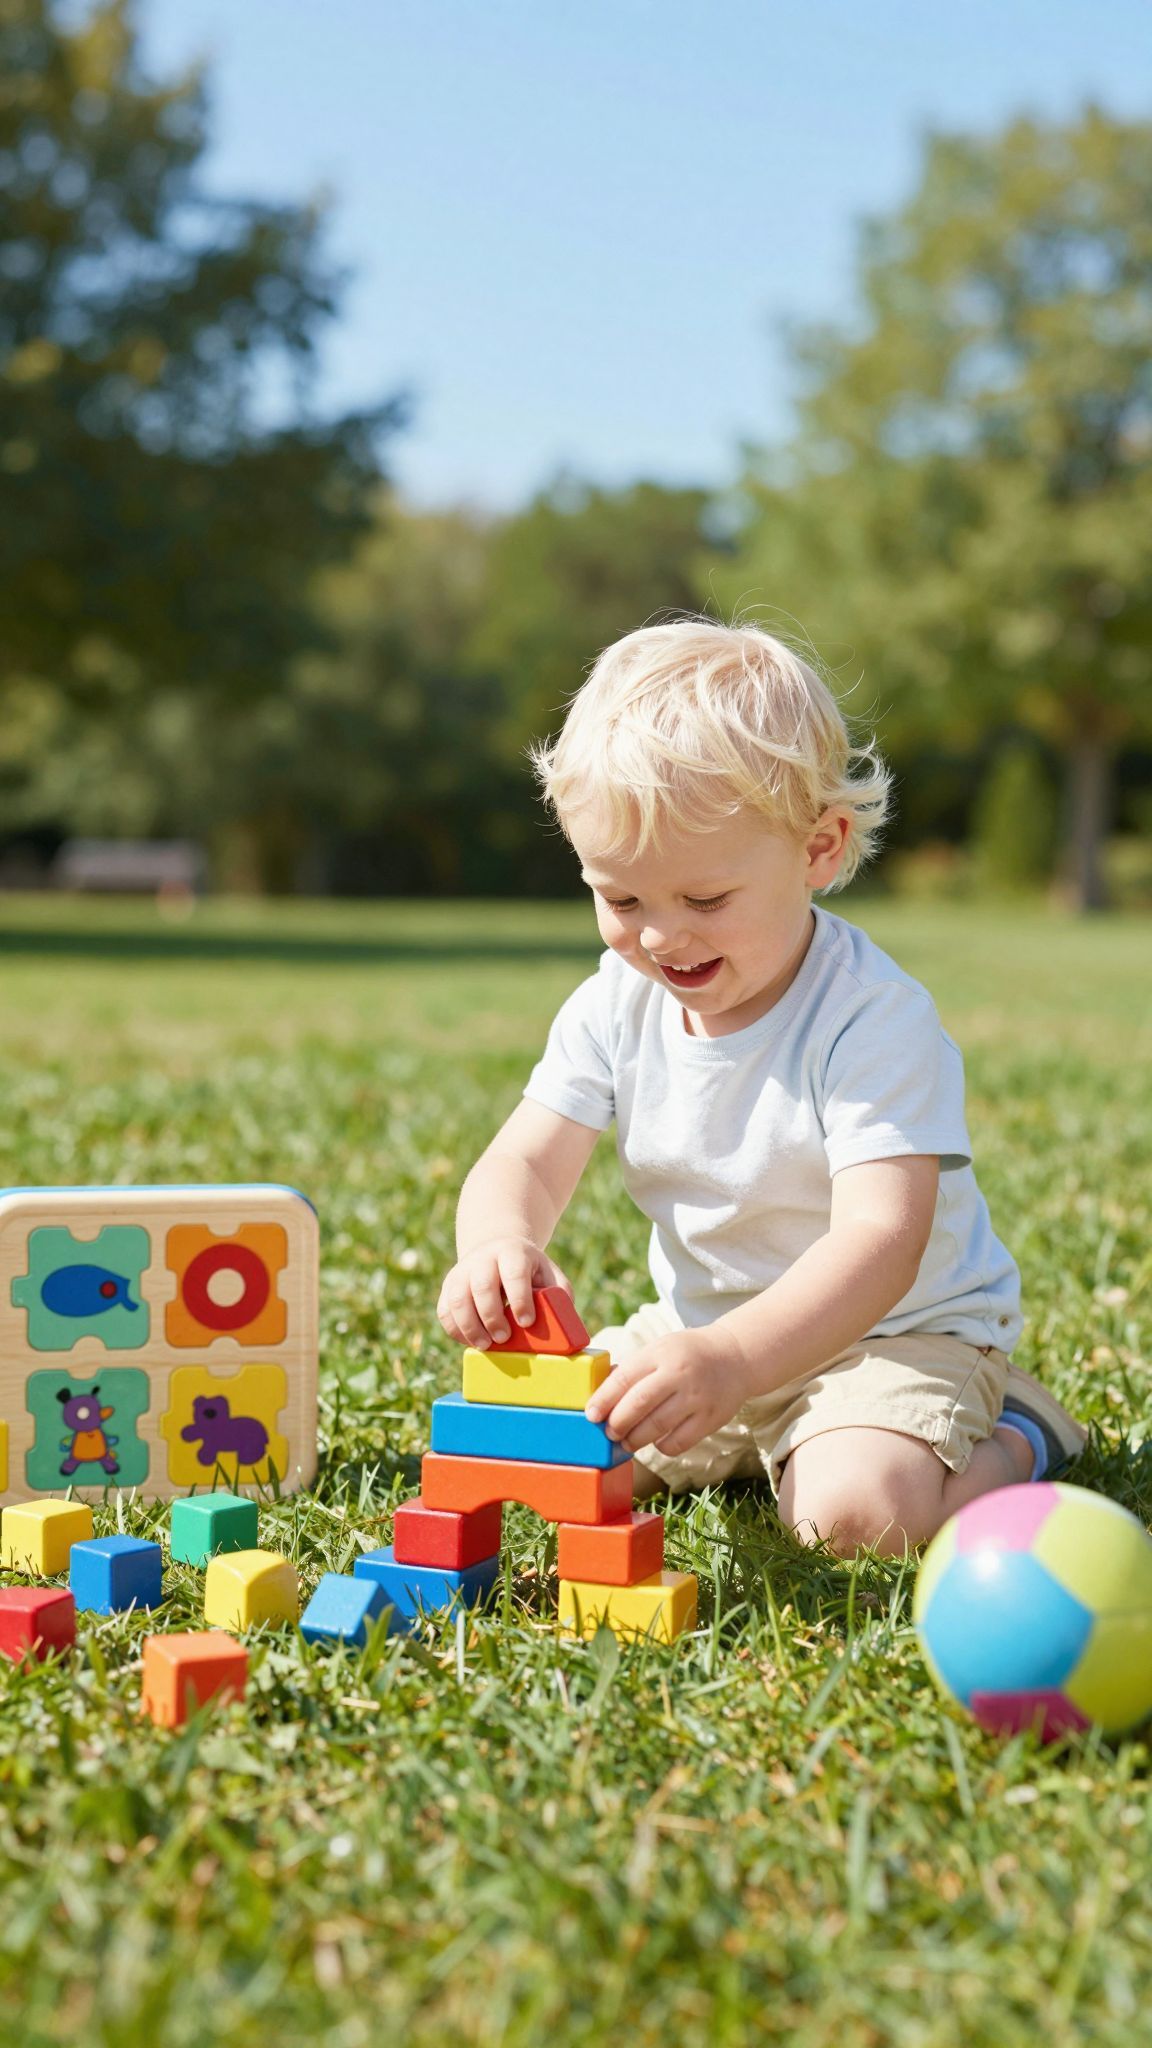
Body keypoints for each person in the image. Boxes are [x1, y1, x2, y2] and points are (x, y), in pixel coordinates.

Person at [436, 619, 1084, 1555]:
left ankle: (1022, 1433)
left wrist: (735, 1361)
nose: (660, 938)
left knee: (854, 1517)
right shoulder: (616, 1002)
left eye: (704, 901)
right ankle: (760, 1437)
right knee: (545, 1466)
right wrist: (496, 1242)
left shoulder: (871, 1019)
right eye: (621, 900)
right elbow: (525, 1161)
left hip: (892, 1336)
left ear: (820, 850)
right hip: (705, 1336)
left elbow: (882, 1240)